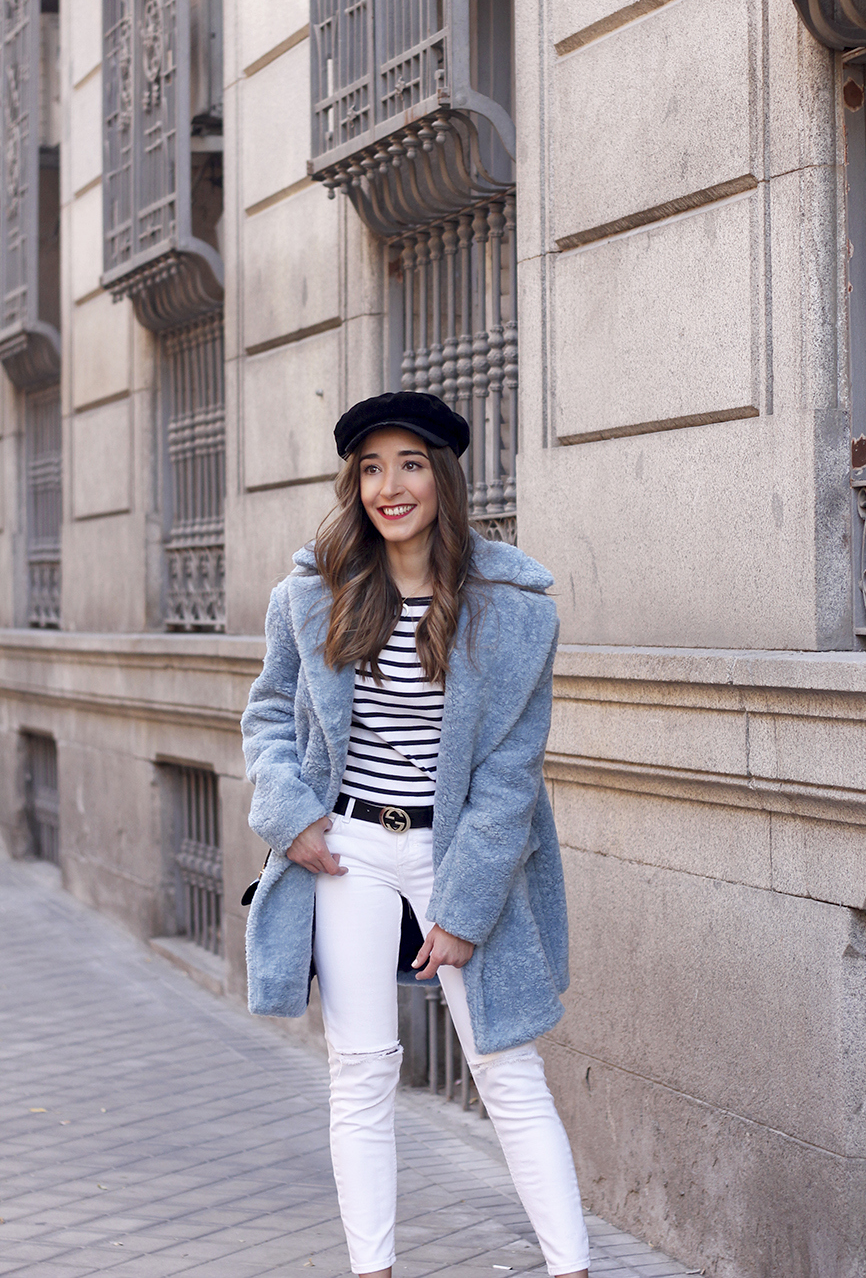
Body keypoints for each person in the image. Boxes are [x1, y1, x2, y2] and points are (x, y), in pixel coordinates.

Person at [240, 390, 590, 1278]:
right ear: (353, 483)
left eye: (409, 464)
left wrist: (466, 906)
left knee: (507, 1070)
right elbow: (269, 714)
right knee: (360, 1072)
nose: (389, 487)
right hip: (346, 850)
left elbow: (513, 772)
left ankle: (573, 1268)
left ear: (443, 475)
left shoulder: (512, 607)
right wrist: (294, 820)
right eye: (370, 468)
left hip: (457, 852)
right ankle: (376, 1270)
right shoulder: (312, 592)